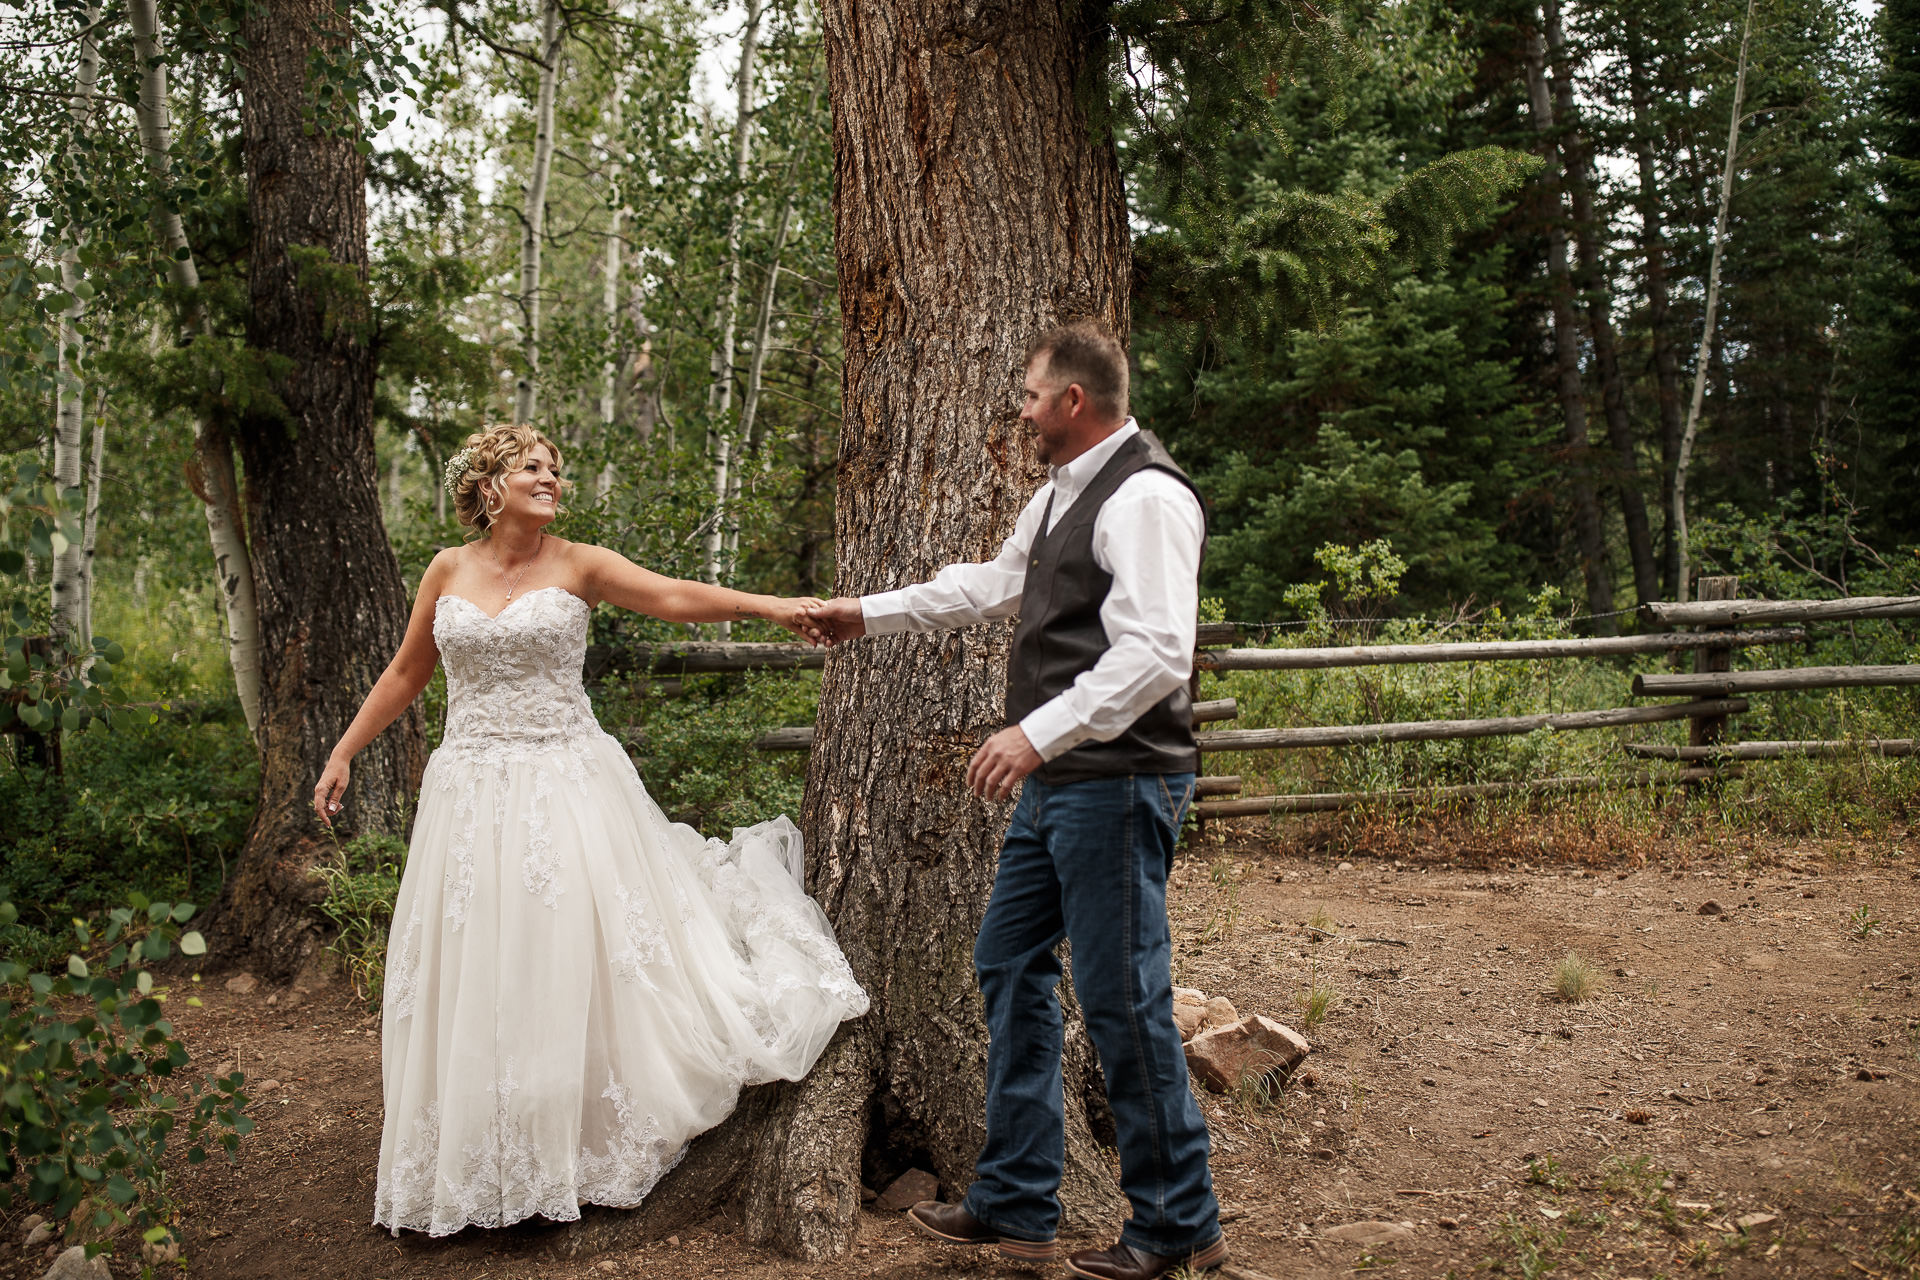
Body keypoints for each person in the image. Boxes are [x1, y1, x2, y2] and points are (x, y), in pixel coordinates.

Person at [313, 422, 867, 1237]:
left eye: (555, 470)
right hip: (468, 789)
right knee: (480, 963)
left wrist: (770, 606)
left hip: (564, 784)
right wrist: (344, 752)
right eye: (533, 468)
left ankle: (569, 1144)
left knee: (563, 953)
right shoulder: (446, 570)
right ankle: (483, 1155)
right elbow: (407, 670)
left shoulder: (578, 563)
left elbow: (675, 596)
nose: (551, 479)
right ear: (488, 485)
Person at [806, 320, 1225, 1280]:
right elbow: (991, 586)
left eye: (1032, 394)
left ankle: (1177, 1223)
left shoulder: (1148, 498)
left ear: (1073, 402)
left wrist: (1036, 732)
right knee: (1006, 963)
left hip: (1118, 785)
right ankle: (1019, 1197)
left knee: (1124, 999)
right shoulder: (1056, 499)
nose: (1023, 410)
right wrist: (863, 614)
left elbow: (1159, 652)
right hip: (1061, 788)